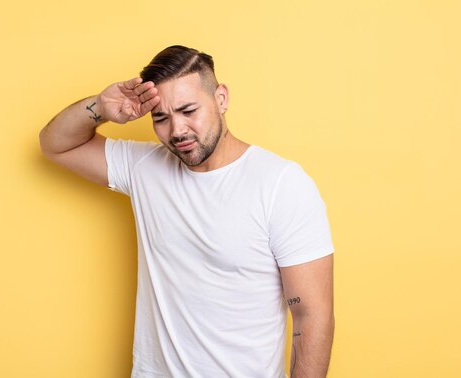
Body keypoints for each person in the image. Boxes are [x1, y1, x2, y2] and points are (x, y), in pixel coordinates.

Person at [39, 45, 335, 378]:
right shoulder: (144, 168)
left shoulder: (281, 184)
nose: (177, 130)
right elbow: (55, 144)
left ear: (221, 98)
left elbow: (312, 315)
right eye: (161, 118)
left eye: (188, 110)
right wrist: (101, 107)